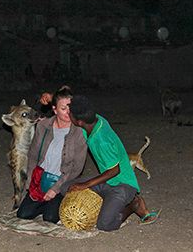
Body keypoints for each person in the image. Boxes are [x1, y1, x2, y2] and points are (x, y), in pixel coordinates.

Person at [61, 95, 160, 231]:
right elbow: (79, 103)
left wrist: (85, 185)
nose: (68, 114)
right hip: (108, 180)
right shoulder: (94, 120)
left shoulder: (101, 141)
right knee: (66, 188)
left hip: (123, 184)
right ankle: (108, 203)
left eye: (70, 113)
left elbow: (115, 171)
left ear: (79, 121)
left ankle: (134, 204)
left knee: (105, 224)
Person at [16, 86, 88, 223]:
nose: (68, 112)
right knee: (23, 214)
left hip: (64, 180)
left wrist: (55, 189)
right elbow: (33, 156)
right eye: (63, 109)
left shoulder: (79, 131)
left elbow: (76, 168)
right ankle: (48, 203)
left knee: (50, 218)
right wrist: (31, 184)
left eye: (70, 107)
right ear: (54, 109)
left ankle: (58, 202)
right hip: (42, 179)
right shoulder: (43, 126)